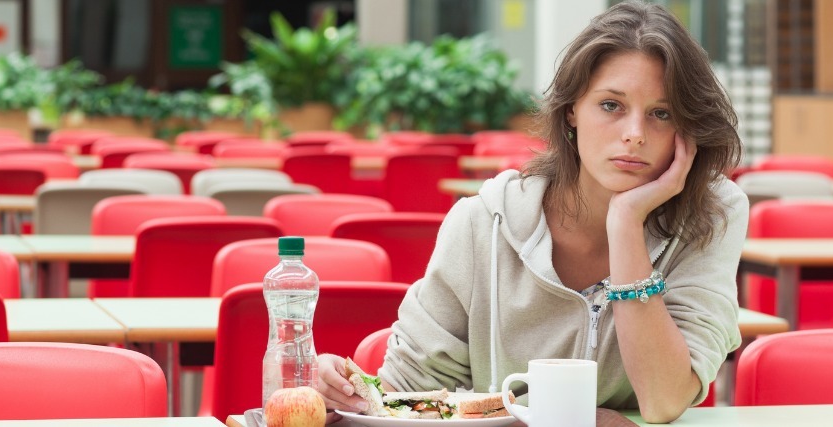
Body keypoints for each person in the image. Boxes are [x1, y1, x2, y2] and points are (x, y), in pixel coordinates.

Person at [315, 1, 746, 424]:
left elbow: (664, 399)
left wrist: (626, 225)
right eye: (611, 105)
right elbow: (409, 392)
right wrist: (341, 393)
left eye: (661, 113)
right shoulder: (482, 222)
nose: (634, 134)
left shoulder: (710, 217)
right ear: (573, 109)